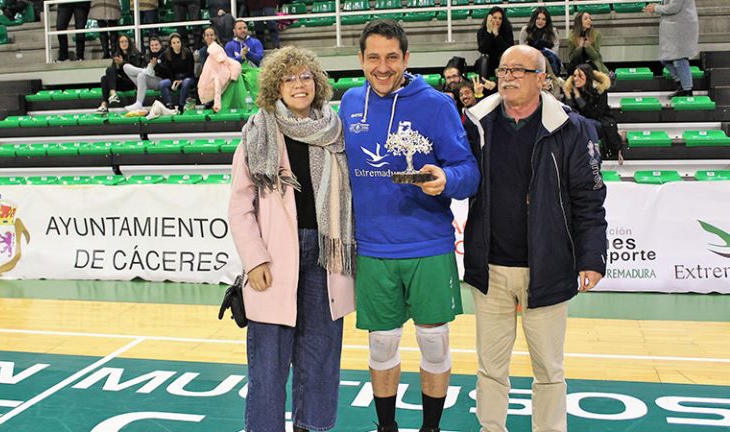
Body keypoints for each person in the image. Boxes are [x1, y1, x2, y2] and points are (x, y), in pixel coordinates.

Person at [339, 20, 480, 432]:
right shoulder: (348, 102)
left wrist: (446, 181)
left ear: (407, 58)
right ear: (361, 60)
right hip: (372, 249)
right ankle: (386, 428)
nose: (382, 67)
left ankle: (431, 428)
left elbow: (468, 171)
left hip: (428, 246)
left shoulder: (435, 104)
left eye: (391, 57)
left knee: (434, 344)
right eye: (373, 58)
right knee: (381, 345)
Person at [462, 45, 607, 432]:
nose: (507, 76)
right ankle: (490, 427)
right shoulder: (477, 123)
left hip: (548, 267)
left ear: (542, 80)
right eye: (503, 69)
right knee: (490, 367)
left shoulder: (573, 129)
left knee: (548, 369)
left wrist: (592, 257)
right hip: (490, 267)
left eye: (518, 70)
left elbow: (589, 200)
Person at [228, 45, 355, 432]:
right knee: (268, 364)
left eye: (305, 77)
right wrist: (255, 259)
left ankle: (312, 427)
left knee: (319, 359)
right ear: (275, 87)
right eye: (288, 78)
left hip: (326, 256)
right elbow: (239, 205)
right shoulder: (258, 131)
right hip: (274, 259)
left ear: (317, 83)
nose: (298, 85)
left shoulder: (336, 131)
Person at [563, 63, 623, 162]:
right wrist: (569, 97)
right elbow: (569, 113)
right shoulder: (572, 89)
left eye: (580, 76)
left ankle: (592, 157)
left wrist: (579, 98)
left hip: (601, 122)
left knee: (585, 124)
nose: (576, 78)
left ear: (588, 76)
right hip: (581, 123)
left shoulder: (600, 90)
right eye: (574, 75)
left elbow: (596, 114)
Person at [644, 0, 699, 98]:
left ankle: (687, 90)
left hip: (681, 27)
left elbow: (674, 7)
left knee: (680, 58)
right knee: (665, 59)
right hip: (675, 27)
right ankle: (682, 85)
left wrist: (656, 8)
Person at [96, 34, 145, 114]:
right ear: (119, 44)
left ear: (129, 43)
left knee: (107, 76)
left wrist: (122, 63)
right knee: (104, 78)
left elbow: (135, 71)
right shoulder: (117, 55)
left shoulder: (136, 55)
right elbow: (112, 73)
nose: (124, 43)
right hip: (121, 82)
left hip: (132, 82)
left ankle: (111, 95)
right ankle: (106, 103)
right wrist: (118, 65)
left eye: (125, 41)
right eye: (121, 42)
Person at [197, 32, 242, 111]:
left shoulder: (220, 49)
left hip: (220, 71)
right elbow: (205, 66)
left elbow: (226, 60)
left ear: (215, 36)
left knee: (234, 79)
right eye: (207, 35)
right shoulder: (202, 51)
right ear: (204, 37)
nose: (209, 37)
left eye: (211, 35)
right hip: (208, 73)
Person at [123, 37, 165, 112]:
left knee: (141, 75)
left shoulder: (164, 55)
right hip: (145, 80)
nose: (154, 47)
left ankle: (138, 104)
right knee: (125, 67)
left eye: (156, 45)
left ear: (161, 45)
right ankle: (146, 71)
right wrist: (148, 69)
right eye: (152, 45)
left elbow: (166, 72)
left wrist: (156, 66)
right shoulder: (147, 56)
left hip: (159, 81)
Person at [158, 33, 197, 112]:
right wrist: (174, 81)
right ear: (170, 45)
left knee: (186, 82)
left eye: (178, 42)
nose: (176, 44)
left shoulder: (187, 53)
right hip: (174, 78)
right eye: (174, 43)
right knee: (162, 84)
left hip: (188, 77)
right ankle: (169, 105)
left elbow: (190, 71)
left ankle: (181, 105)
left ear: (181, 43)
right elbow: (169, 72)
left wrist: (181, 80)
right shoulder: (167, 54)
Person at [519, 7, 561, 76]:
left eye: (543, 19)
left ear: (547, 21)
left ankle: (550, 80)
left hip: (548, 61)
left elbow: (555, 52)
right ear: (534, 19)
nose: (540, 21)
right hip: (530, 60)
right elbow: (522, 49)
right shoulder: (525, 30)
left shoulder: (553, 31)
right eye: (538, 18)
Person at [476, 6, 514, 80]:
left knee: (502, 58)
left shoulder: (507, 31)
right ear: (489, 19)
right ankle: (484, 85)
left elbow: (508, 50)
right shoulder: (482, 32)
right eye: (495, 17)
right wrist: (489, 32)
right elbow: (483, 50)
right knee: (484, 59)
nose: (497, 20)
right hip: (488, 63)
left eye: (500, 18)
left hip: (502, 61)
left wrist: (496, 34)